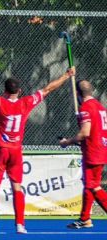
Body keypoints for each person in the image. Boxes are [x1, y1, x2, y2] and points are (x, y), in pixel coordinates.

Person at [0, 65, 75, 234]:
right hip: (16, 150)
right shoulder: (26, 102)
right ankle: (20, 224)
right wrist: (67, 75)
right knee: (17, 187)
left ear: (4, 91)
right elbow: (48, 89)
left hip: (0, 150)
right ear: (20, 91)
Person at [59, 79, 107, 229]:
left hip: (94, 152)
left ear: (78, 94)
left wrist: (67, 142)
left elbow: (84, 133)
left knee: (94, 187)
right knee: (89, 184)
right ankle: (85, 218)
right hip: (100, 149)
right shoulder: (100, 107)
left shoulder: (86, 107)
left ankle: (85, 218)